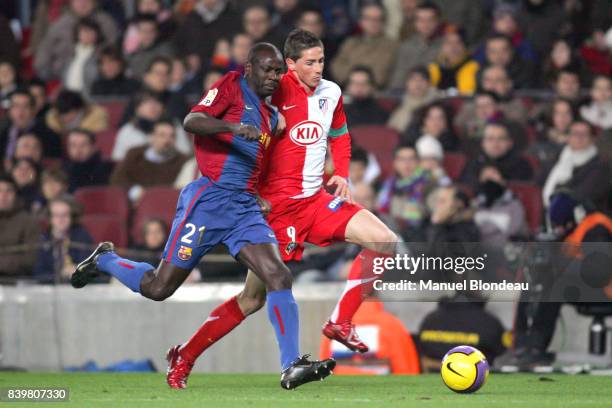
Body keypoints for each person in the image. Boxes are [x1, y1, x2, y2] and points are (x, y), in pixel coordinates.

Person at [71, 43, 334, 390]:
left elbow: (252, 167)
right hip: (207, 203)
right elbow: (191, 120)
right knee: (159, 287)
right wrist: (234, 128)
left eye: (277, 72)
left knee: (278, 275)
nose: (273, 77)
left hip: (243, 209)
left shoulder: (271, 117)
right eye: (267, 70)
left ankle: (291, 365)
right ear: (249, 68)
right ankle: (105, 259)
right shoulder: (230, 85)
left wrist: (258, 196)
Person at [175, 32, 400, 385]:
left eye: (321, 61)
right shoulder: (272, 93)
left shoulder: (332, 93)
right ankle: (185, 355)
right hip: (276, 210)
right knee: (251, 299)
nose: (317, 69)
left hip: (315, 201)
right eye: (309, 63)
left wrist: (340, 173)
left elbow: (339, 135)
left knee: (384, 240)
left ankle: (340, 322)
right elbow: (244, 134)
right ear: (290, 66)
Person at [33, 195, 94, 283]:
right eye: (56, 215)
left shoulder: (82, 236)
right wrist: (60, 274)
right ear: (50, 219)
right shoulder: (43, 239)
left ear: (72, 217)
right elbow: (38, 273)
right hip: (50, 289)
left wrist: (78, 270)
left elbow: (90, 267)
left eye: (65, 215)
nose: (61, 219)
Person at [0, 176, 40, 277]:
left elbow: (31, 259)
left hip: (15, 281)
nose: (3, 196)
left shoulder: (28, 222)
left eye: (9, 191)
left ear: (16, 195)